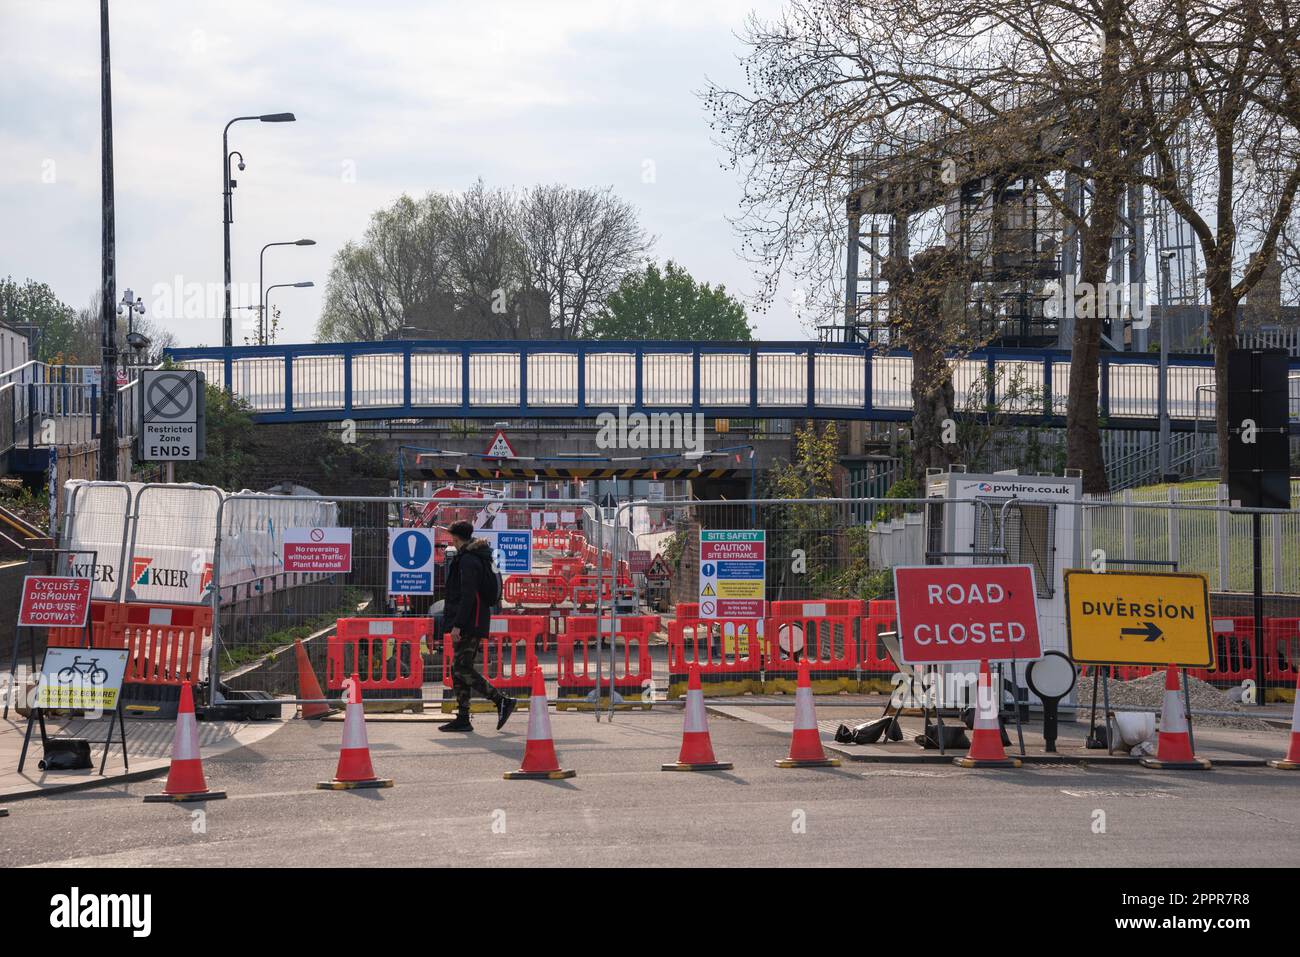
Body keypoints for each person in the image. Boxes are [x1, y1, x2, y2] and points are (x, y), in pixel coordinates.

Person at [439, 521, 516, 733]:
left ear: (456, 538)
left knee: (461, 668)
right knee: (458, 669)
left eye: (451, 538)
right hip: (473, 619)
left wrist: (458, 625)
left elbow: (468, 595)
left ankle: (501, 700)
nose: (450, 541)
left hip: (470, 621)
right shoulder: (475, 556)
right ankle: (463, 717)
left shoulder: (468, 560)